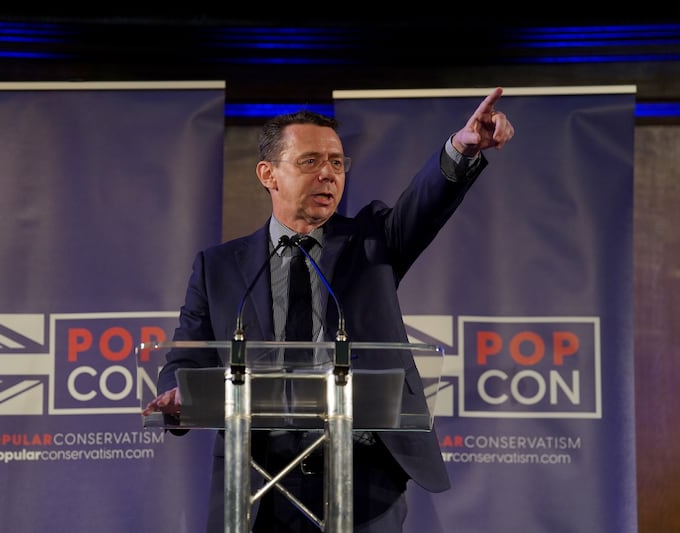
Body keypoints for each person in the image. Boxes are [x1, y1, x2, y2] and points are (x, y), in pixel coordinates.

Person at [144, 87, 515, 532]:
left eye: (337, 163)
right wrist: (177, 391)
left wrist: (460, 149)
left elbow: (425, 203)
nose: (328, 174)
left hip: (365, 475)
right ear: (268, 173)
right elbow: (188, 353)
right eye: (310, 162)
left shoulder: (373, 239)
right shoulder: (219, 267)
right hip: (259, 474)